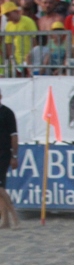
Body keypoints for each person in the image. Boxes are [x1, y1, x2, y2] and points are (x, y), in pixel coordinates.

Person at [0, 89, 18, 229]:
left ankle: (14, 217)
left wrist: (14, 156)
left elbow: (14, 136)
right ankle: (5, 221)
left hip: (3, 153)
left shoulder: (7, 112)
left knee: (0, 188)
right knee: (1, 188)